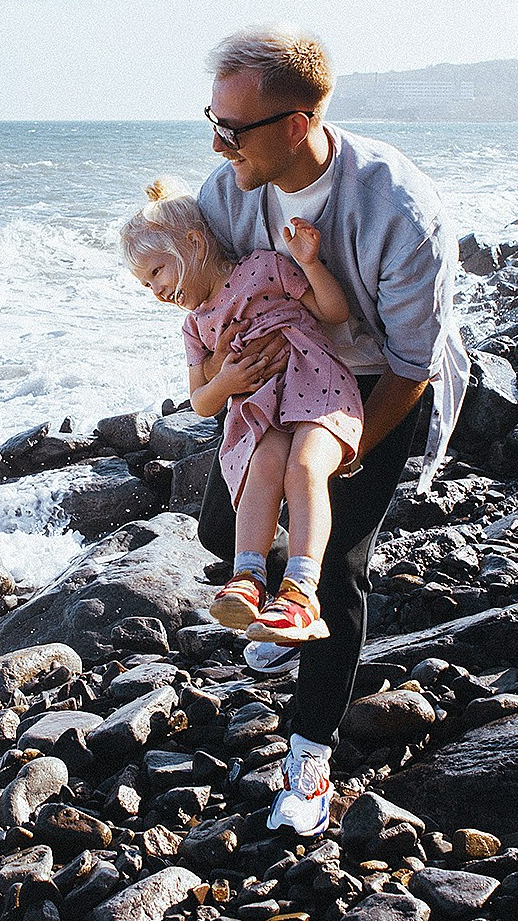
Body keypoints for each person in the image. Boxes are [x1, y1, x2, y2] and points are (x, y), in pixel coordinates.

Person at [193, 23, 469, 837]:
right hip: (280, 375)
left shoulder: (401, 211)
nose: (217, 143)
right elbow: (196, 277)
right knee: (219, 527)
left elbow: (415, 363)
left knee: (337, 561)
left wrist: (344, 457)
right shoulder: (229, 189)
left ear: (298, 124)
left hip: (378, 379)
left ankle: (309, 760)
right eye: (209, 121)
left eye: (231, 129)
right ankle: (281, 603)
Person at [119, 179, 363, 644]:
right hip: (261, 408)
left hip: (318, 384)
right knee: (262, 466)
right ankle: (248, 578)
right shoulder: (195, 327)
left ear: (192, 244)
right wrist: (226, 381)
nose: (154, 290)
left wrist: (309, 264)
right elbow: (201, 401)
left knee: (304, 467)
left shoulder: (265, 267)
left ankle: (301, 593)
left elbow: (334, 313)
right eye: (145, 284)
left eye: (157, 272)